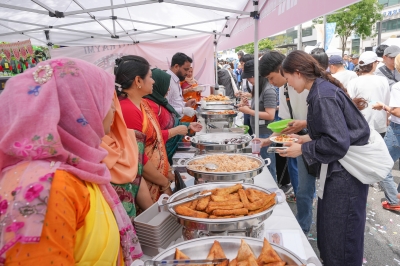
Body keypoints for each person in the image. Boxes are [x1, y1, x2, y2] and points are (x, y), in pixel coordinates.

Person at [0, 58, 141, 265]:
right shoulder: (46, 186)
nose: (113, 111)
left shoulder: (78, 167)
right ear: (76, 109)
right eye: (105, 102)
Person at [279, 50, 370, 266]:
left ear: (298, 73)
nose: (288, 84)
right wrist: (304, 136)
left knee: (340, 239)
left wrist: (302, 149)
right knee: (330, 234)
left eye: (288, 78)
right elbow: (334, 130)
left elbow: (337, 142)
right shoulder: (321, 90)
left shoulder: (322, 94)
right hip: (339, 172)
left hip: (345, 177)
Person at [116, 55, 184, 202]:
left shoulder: (143, 103)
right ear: (138, 81)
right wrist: (164, 182)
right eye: (150, 77)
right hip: (146, 185)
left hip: (158, 178)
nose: (153, 81)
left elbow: (154, 137)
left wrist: (167, 173)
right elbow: (139, 157)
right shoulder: (128, 110)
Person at [258, 50, 312, 234]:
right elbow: (285, 121)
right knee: (302, 184)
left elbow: (324, 119)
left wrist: (304, 124)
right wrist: (268, 140)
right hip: (299, 139)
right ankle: (302, 223)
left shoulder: (311, 87)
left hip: (313, 139)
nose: (271, 83)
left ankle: (304, 227)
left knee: (308, 187)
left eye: (272, 78)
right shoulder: (283, 88)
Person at [101, 93, 154, 220]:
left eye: (114, 101)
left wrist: (156, 217)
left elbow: (138, 183)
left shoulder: (128, 139)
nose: (114, 108)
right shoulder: (78, 158)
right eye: (109, 102)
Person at [145, 68, 202, 164]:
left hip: (168, 153)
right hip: (160, 157)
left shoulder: (160, 103)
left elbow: (170, 123)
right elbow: (150, 137)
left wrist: (188, 125)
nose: (169, 89)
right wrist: (175, 131)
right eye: (166, 85)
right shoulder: (150, 106)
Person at [238, 59, 277, 180]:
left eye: (249, 77)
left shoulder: (268, 90)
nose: (248, 81)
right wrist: (248, 106)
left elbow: (270, 115)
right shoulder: (258, 88)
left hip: (266, 133)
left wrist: (249, 111)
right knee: (260, 163)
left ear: (255, 76)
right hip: (258, 131)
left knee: (268, 165)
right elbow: (259, 109)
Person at [372, 52, 400, 212]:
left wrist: (384, 106)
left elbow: (397, 112)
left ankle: (393, 199)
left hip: (397, 130)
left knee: (382, 164)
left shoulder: (397, 86)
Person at [347, 51, 390, 137]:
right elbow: (387, 101)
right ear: (373, 64)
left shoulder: (353, 82)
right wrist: (387, 120)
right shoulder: (383, 80)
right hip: (380, 123)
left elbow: (351, 104)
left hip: (361, 123)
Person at [166, 52, 197, 119]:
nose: (187, 73)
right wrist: (183, 110)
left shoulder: (176, 79)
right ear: (176, 66)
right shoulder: (167, 80)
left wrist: (185, 104)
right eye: (185, 69)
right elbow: (165, 107)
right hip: (171, 122)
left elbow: (174, 101)